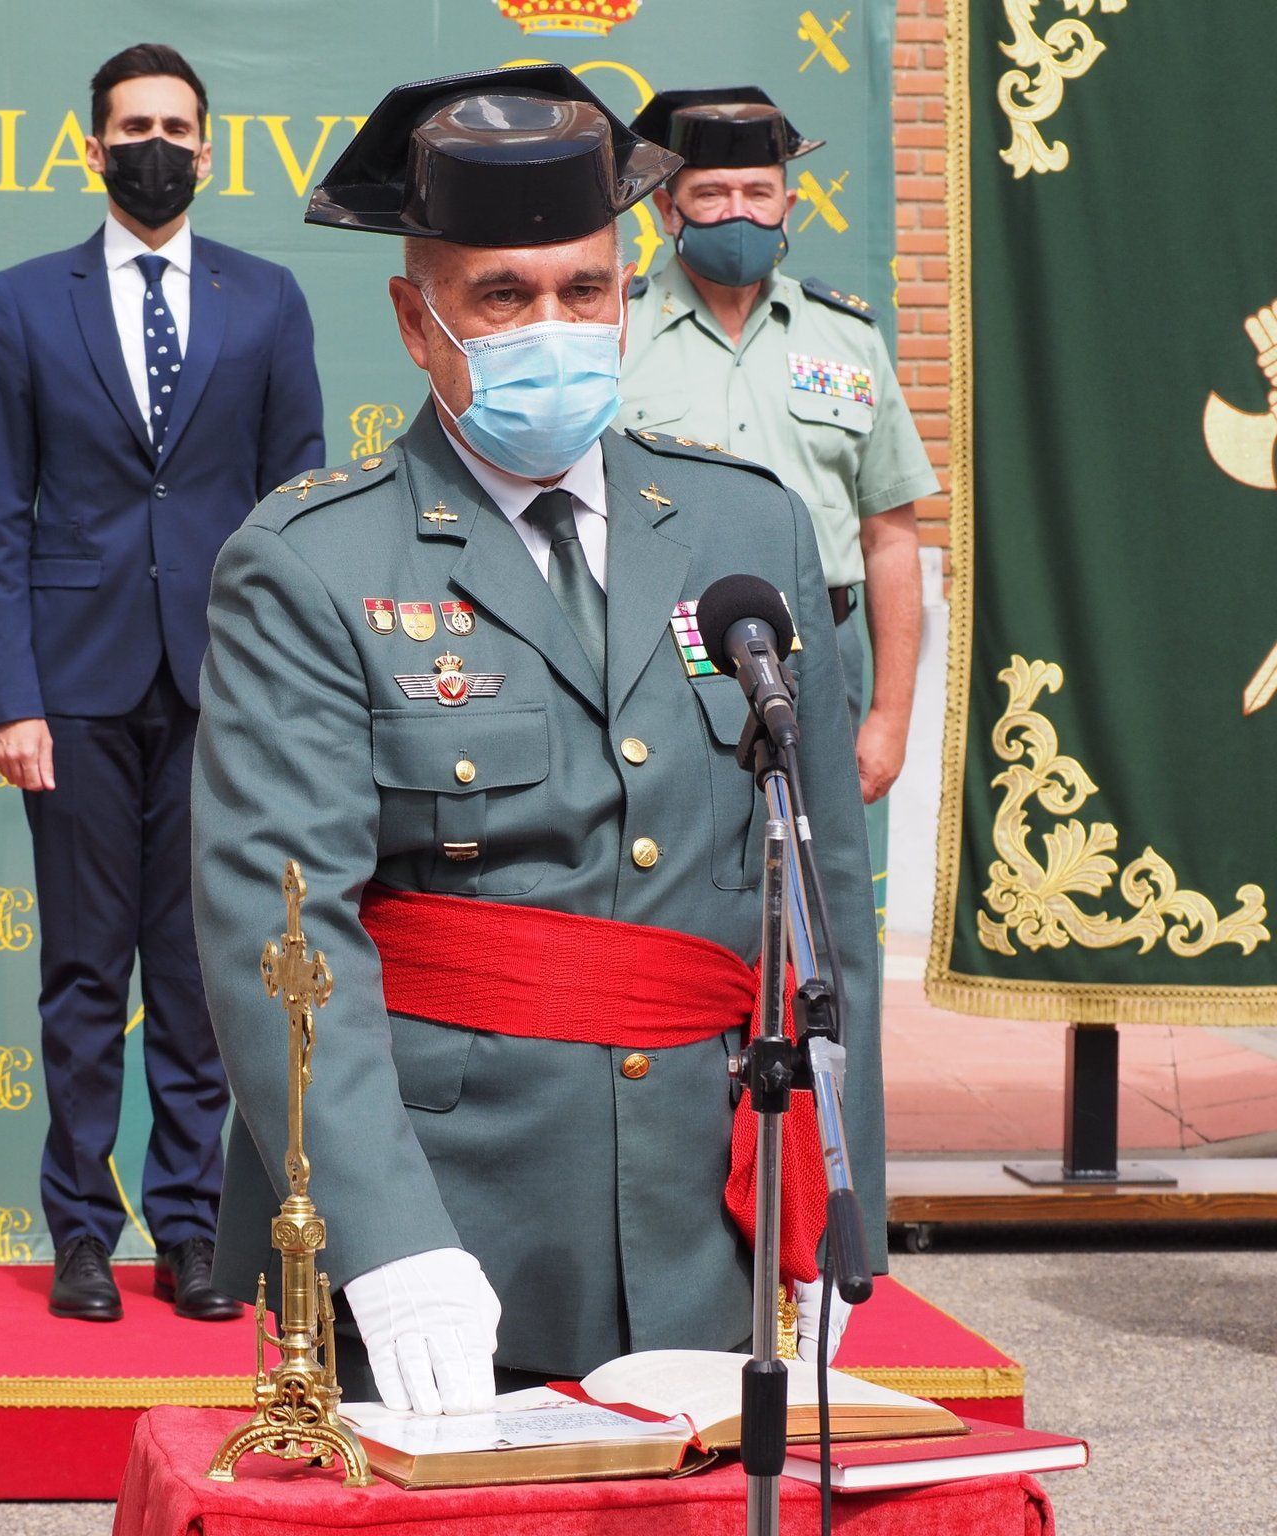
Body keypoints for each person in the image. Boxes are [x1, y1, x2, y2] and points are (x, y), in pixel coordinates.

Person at [192, 66, 883, 1414]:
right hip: (457, 1225)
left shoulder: (750, 534)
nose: (552, 326)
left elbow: (824, 904)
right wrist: (385, 1243)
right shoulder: (313, 563)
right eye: (504, 296)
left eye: (586, 289)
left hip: (710, 1221)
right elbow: (283, 940)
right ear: (417, 318)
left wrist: (836, 1208)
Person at [0, 43, 325, 1323]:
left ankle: (186, 1232)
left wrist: (291, 695)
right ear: (92, 148)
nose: (156, 143)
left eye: (177, 124)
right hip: (69, 684)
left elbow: (298, 509)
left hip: (224, 687)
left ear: (210, 148)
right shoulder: (22, 301)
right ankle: (78, 1232)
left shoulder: (268, 300)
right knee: (81, 971)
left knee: (192, 975)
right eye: (134, 126)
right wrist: (6, 698)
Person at [621, 87, 938, 810]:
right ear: (667, 209)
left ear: (788, 207)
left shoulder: (848, 339)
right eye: (713, 193)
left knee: (821, 887)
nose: (740, 212)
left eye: (759, 192)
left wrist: (890, 717)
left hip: (823, 653)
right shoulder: (617, 334)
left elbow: (890, 538)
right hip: (657, 652)